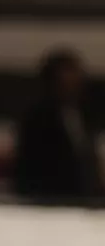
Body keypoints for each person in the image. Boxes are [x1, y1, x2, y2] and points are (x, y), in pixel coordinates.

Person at [12, 49, 102, 203]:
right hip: (51, 200)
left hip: (86, 200)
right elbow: (29, 168)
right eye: (65, 81)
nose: (73, 84)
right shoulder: (37, 119)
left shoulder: (85, 115)